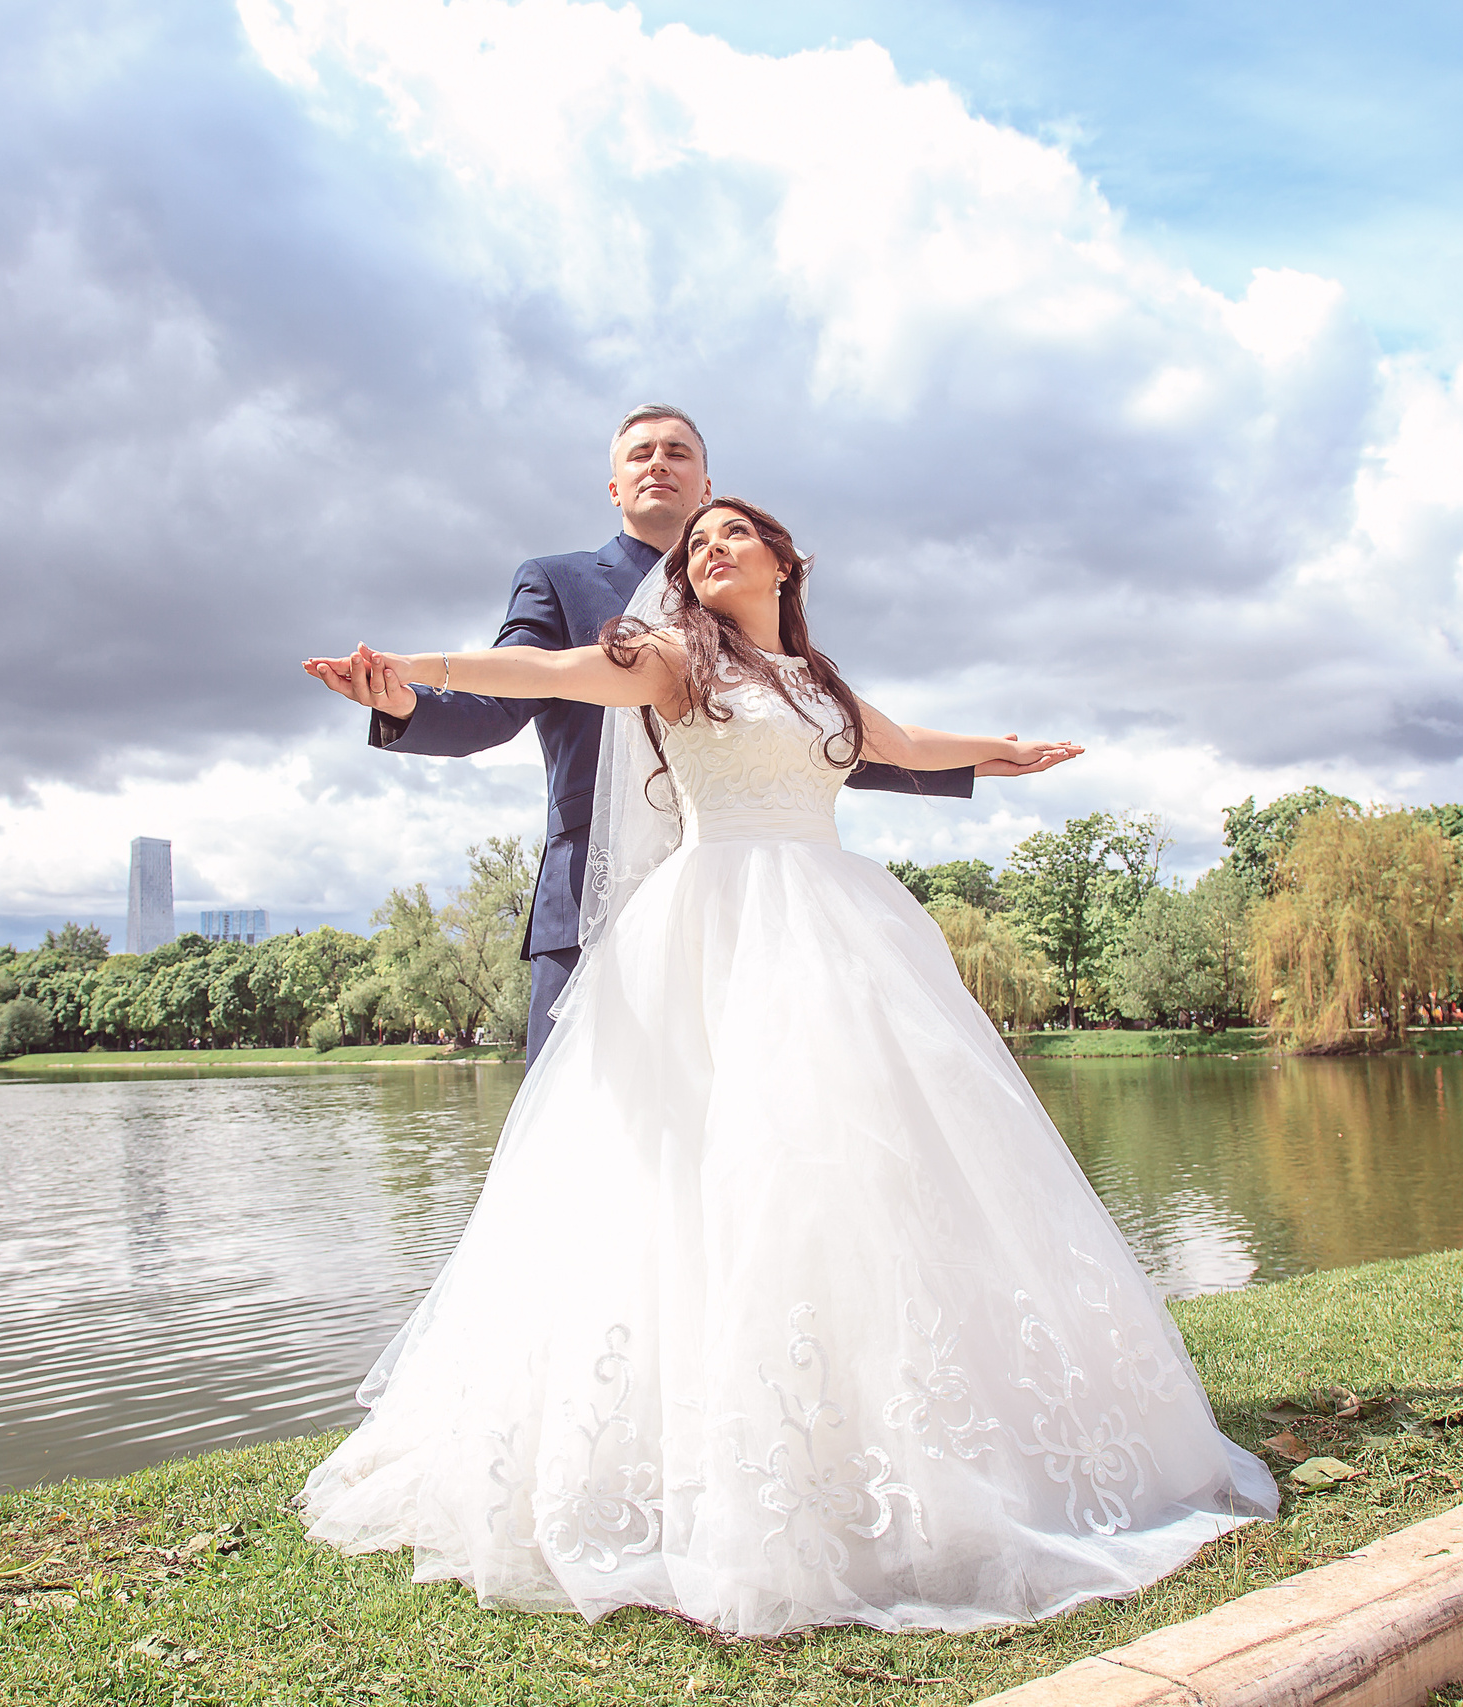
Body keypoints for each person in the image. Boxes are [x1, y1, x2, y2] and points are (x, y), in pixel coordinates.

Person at [297, 497, 1276, 1635]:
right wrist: (405, 670)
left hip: (839, 929)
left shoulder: (817, 678)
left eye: (730, 534)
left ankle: (910, 1440)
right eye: (695, 542)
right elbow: (550, 676)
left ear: (781, 558)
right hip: (715, 931)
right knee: (703, 1177)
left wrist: (998, 753)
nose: (708, 549)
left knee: (871, 1172)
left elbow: (897, 747)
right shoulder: (666, 659)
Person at [307, 404, 1071, 1058]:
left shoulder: (763, 617)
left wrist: (988, 757)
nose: (658, 464)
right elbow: (521, 686)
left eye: (679, 452)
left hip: (780, 907)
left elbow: (813, 742)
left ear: (709, 484)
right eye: (640, 454)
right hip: (597, 899)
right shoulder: (561, 582)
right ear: (614, 486)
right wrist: (403, 693)